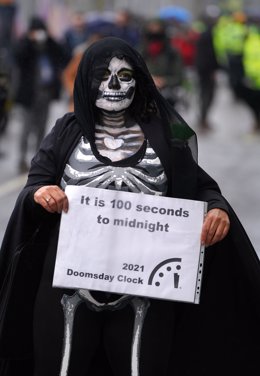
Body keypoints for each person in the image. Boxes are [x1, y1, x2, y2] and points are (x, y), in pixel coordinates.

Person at [0, 37, 260, 376]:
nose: (112, 84)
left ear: (139, 80)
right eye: (102, 75)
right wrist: (41, 195)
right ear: (86, 81)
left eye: (124, 75)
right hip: (67, 285)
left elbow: (201, 186)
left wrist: (216, 209)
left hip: (146, 289)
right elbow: (36, 183)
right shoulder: (67, 130)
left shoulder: (169, 132)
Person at [13, 16, 69, 173]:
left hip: (45, 94)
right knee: (26, 128)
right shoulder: (26, 46)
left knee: (41, 128)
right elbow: (18, 56)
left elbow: (64, 55)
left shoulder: (49, 47)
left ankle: (37, 159)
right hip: (29, 95)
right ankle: (22, 158)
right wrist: (28, 40)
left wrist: (49, 38)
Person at [140, 19, 184, 107]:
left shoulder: (172, 53)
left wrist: (164, 81)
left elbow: (178, 77)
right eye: (151, 27)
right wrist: (149, 79)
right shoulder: (140, 51)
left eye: (157, 27)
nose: (154, 30)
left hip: (166, 97)